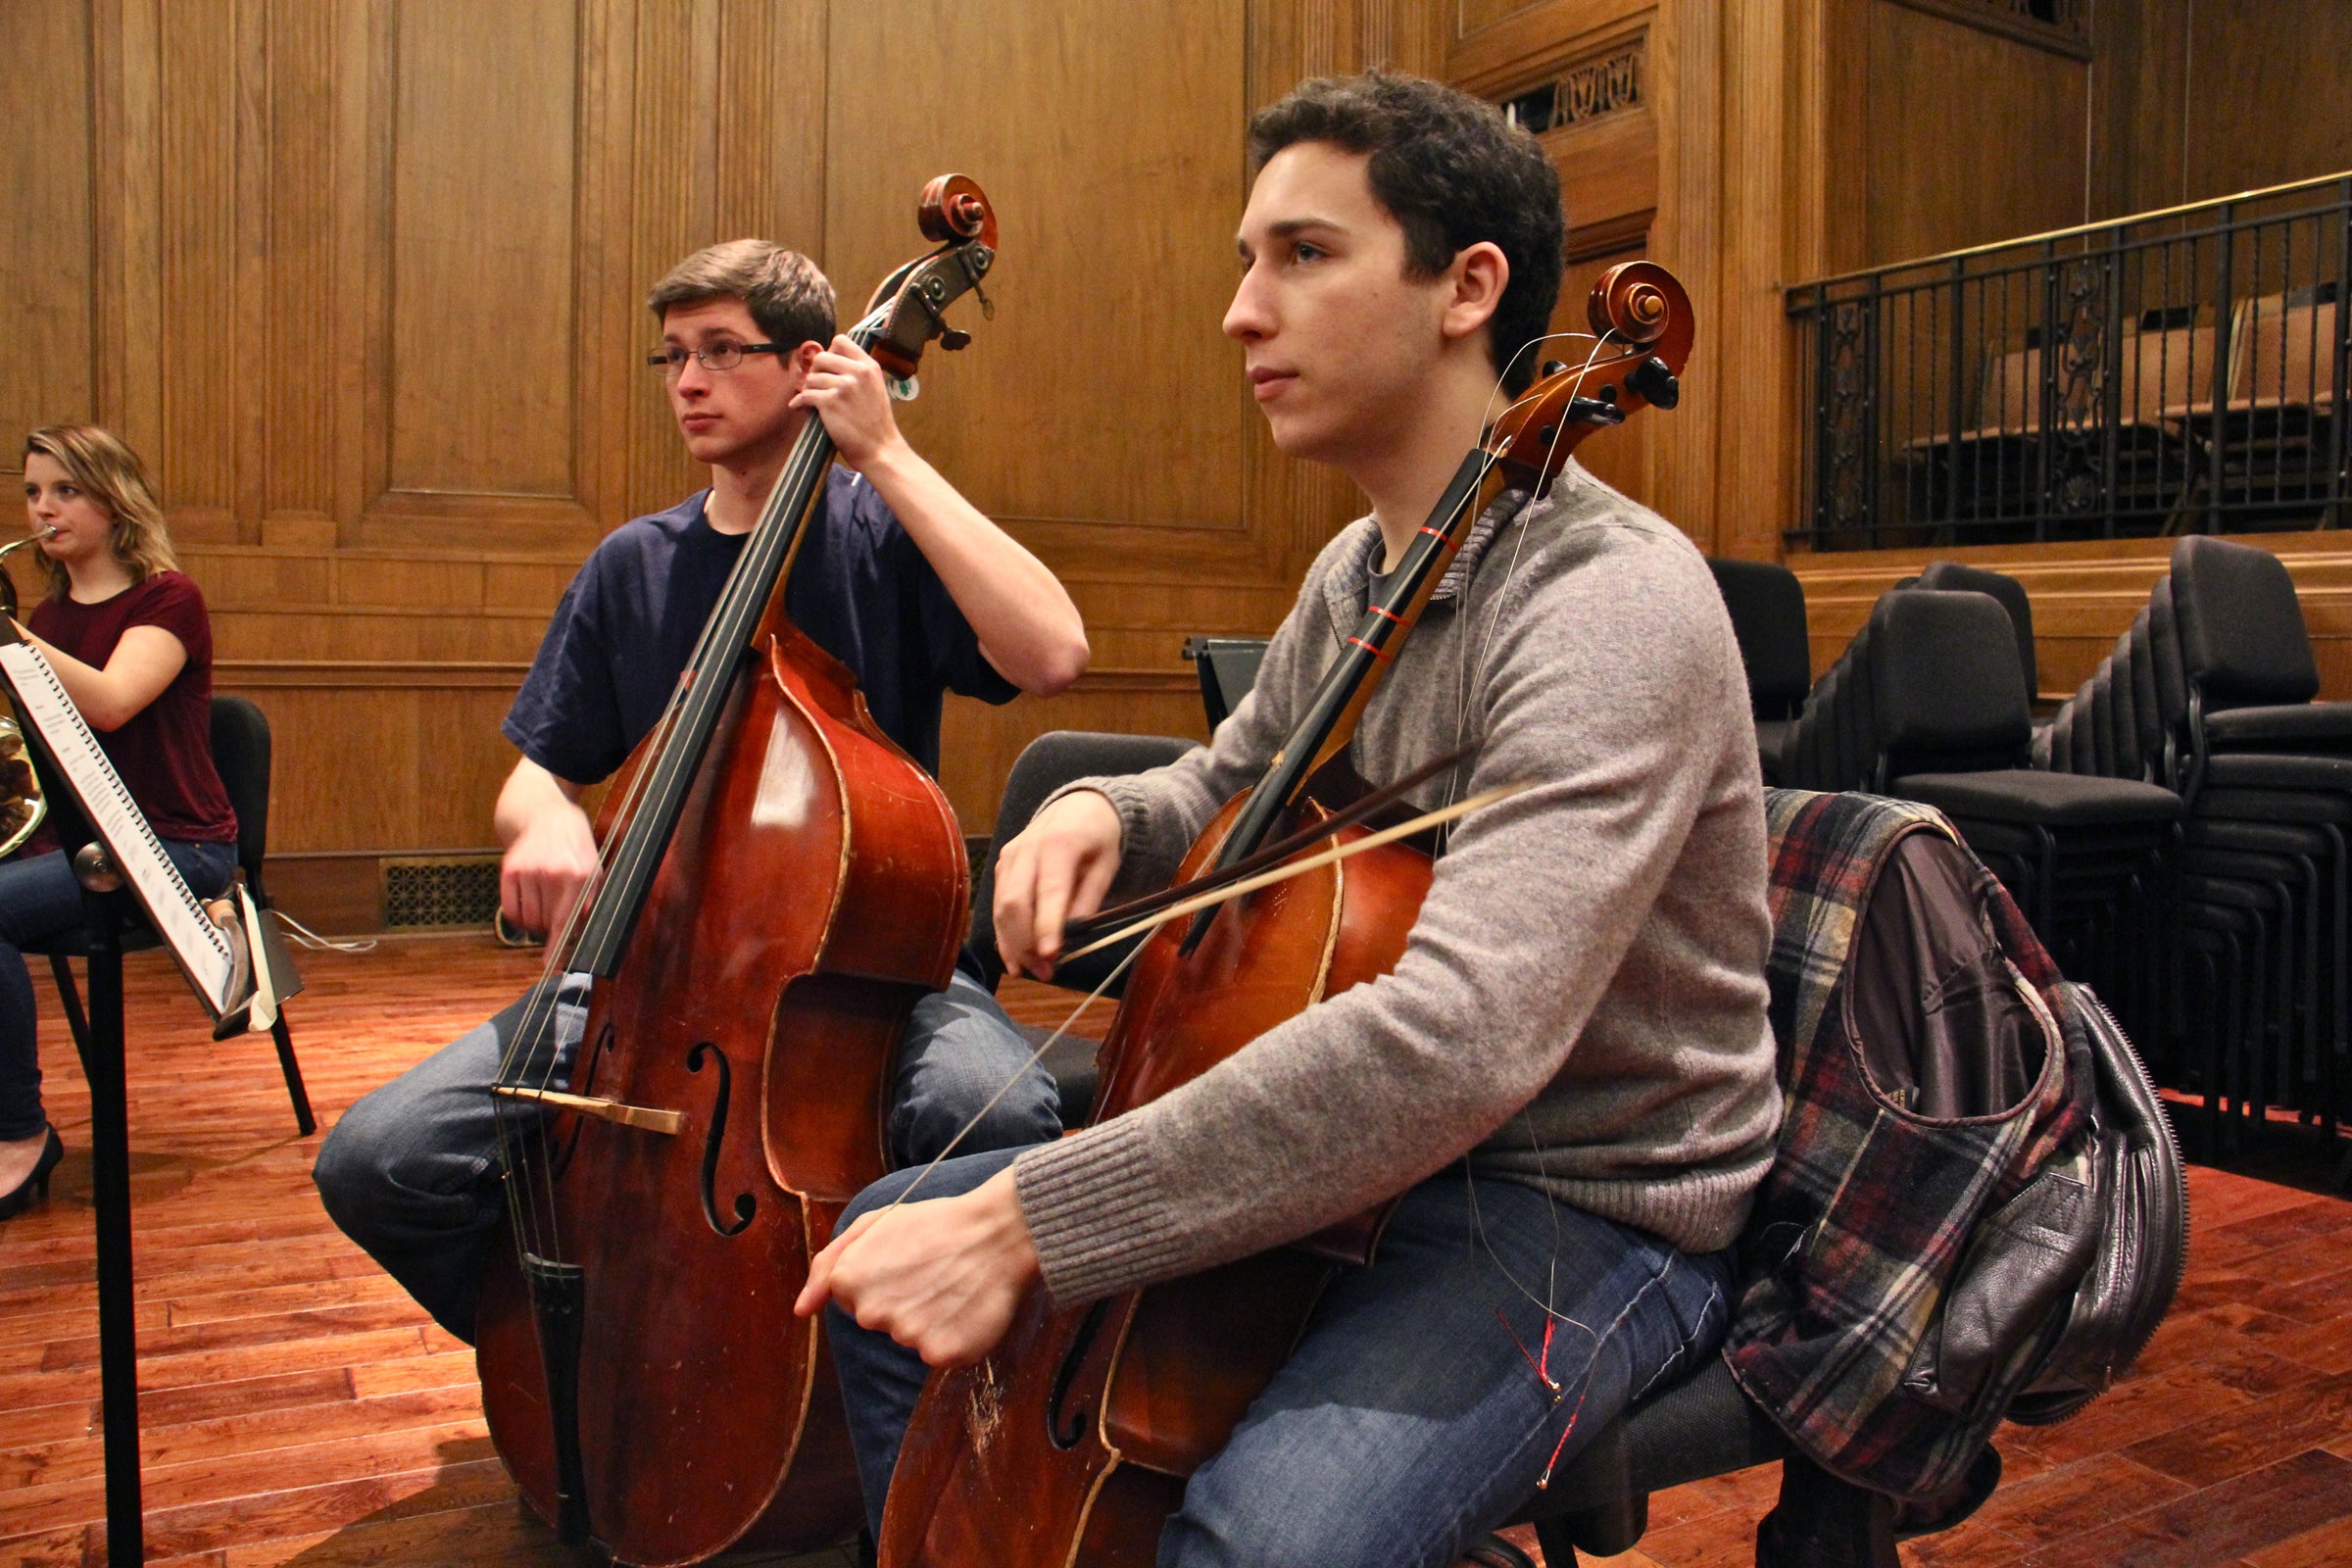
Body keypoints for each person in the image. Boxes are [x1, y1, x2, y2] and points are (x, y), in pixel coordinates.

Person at [801, 72, 1784, 1566]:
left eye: (1302, 256)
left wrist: (1029, 1225)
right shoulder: (1357, 572)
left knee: (1261, 1547)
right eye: (1247, 262)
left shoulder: (1611, 607)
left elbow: (1459, 1038)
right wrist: (1096, 811)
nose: (1241, 313)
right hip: (1370, 1138)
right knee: (880, 1262)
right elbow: (1229, 785)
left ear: (1467, 288)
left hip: (1577, 1200)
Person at [312, 240, 1090, 1342]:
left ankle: (924, 1421)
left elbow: (1054, 650)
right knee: (378, 1159)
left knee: (992, 1109)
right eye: (674, 354)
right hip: (649, 975)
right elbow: (543, 762)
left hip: (869, 974)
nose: (688, 380)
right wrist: (541, 816)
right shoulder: (634, 563)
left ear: (812, 364)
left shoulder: (884, 536)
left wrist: (891, 457)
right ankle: (575, 1361)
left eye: (724, 351)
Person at [0, 425, 240, 1219]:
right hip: (79, 845)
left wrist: (9, 638)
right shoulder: (46, 613)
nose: (43, 509)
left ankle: (21, 1132)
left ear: (115, 498)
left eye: (66, 490)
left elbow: (109, 702)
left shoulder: (169, 598)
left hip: (179, 844)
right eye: (34, 492)